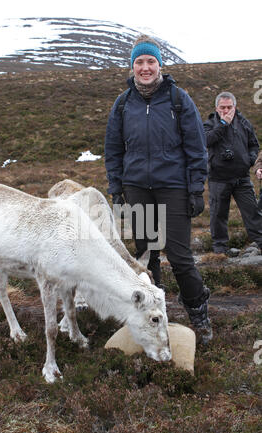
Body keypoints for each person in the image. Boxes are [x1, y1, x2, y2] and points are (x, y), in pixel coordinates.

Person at [104, 34, 212, 344]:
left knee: (180, 257)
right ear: (132, 66)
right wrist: (116, 187)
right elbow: (113, 149)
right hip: (137, 188)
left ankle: (199, 316)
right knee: (146, 257)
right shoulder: (123, 104)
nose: (145, 67)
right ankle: (153, 317)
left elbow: (196, 147)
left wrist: (195, 190)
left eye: (150, 61)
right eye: (139, 62)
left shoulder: (179, 99)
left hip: (174, 187)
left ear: (159, 64)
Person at [203, 92, 262, 254]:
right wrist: (223, 123)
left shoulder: (244, 123)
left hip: (241, 177)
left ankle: (260, 241)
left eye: (229, 107)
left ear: (235, 107)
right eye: (222, 107)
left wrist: (249, 160)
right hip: (218, 178)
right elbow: (206, 141)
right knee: (218, 215)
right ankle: (220, 250)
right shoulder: (209, 124)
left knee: (252, 212)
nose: (226, 110)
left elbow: (254, 145)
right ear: (216, 108)